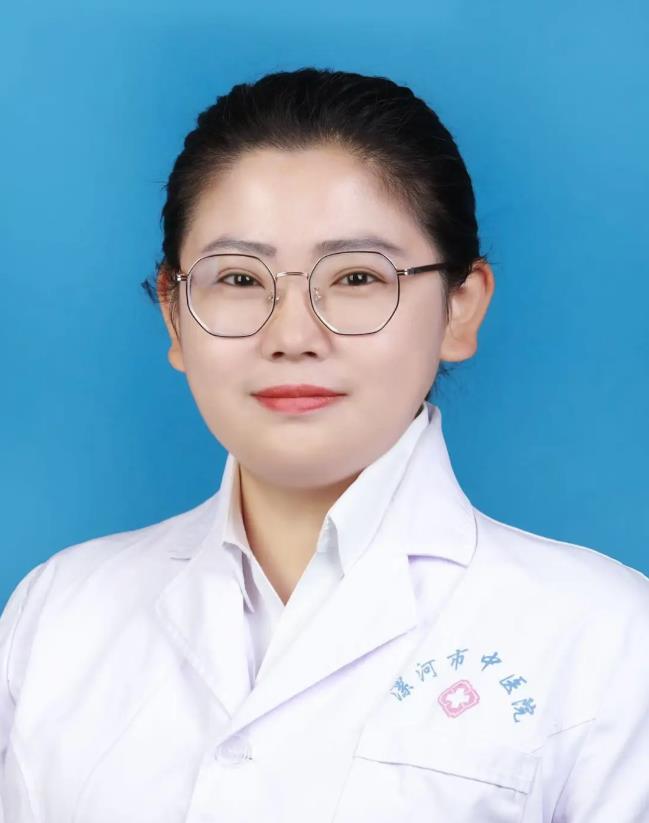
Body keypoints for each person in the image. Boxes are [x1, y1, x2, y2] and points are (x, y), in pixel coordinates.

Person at [1, 67, 647, 823]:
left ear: (459, 309)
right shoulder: (59, 613)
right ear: (174, 314)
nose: (292, 336)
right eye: (239, 278)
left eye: (357, 277)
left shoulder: (608, 637)